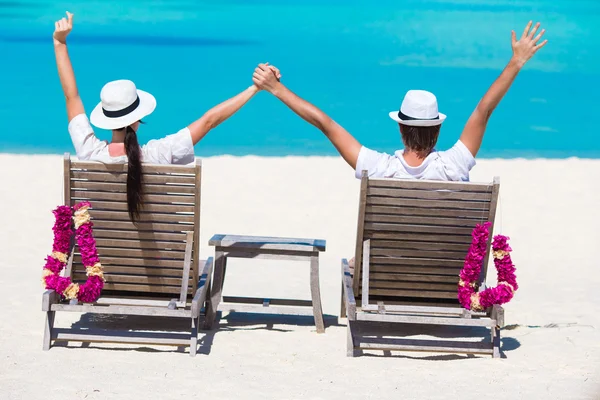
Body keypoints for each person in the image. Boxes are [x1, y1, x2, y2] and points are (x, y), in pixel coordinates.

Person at [252, 21, 548, 182]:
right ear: (437, 129)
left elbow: (325, 124)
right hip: (447, 278)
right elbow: (485, 109)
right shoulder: (454, 166)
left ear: (401, 129)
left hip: (386, 276)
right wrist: (516, 61)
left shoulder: (379, 168)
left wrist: (277, 89)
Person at [53, 12, 279, 221]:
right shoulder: (159, 154)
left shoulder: (89, 151)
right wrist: (255, 88)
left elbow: (71, 97)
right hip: (159, 263)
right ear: (137, 119)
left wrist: (60, 43)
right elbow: (210, 120)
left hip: (97, 262)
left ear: (106, 117)